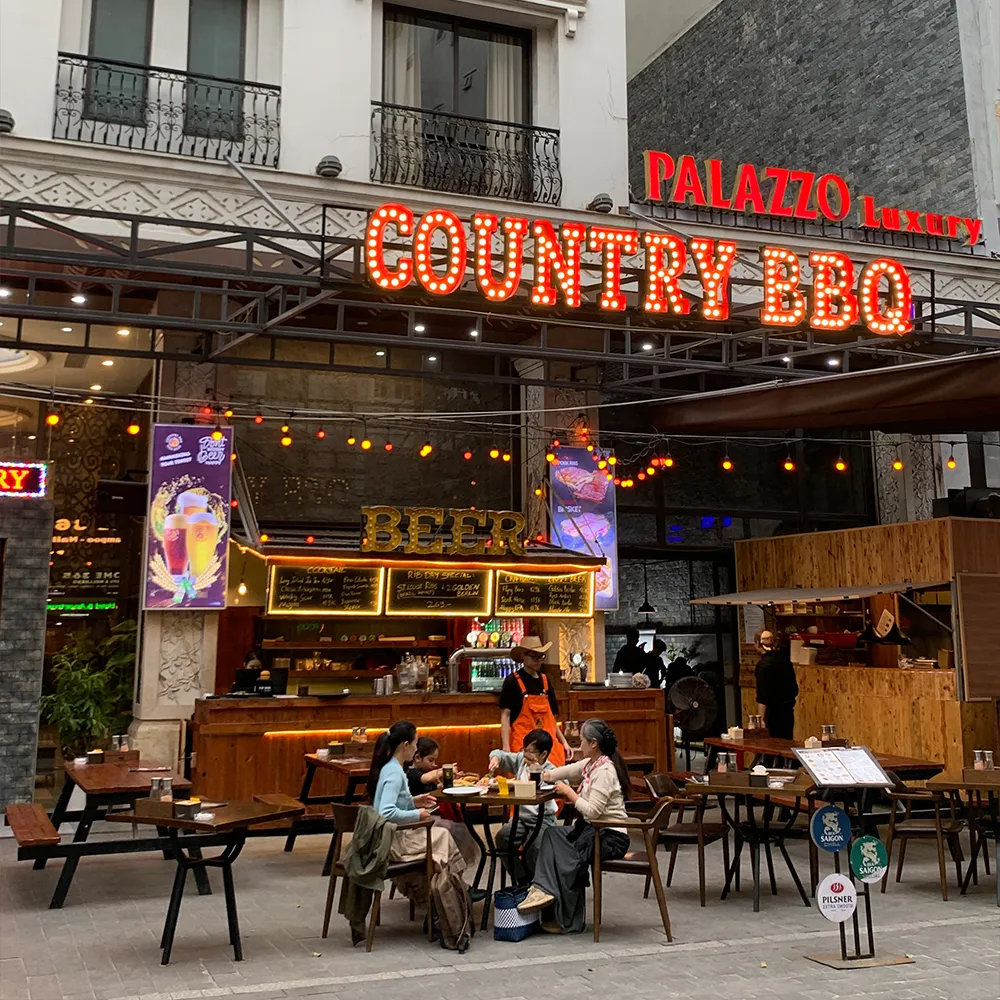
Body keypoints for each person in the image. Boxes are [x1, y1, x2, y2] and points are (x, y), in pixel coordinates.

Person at [517, 719, 631, 934]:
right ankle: (542, 889)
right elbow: (563, 772)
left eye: (582, 742)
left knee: (566, 856)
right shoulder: (590, 764)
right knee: (552, 834)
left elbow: (592, 811)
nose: (580, 746)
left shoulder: (604, 771)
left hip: (609, 836)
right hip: (593, 830)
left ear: (594, 743)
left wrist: (569, 792)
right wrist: (541, 771)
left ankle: (567, 919)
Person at [367, 721, 467, 876]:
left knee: (443, 834)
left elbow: (393, 804)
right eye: (415, 744)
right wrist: (417, 814)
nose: (415, 749)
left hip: (390, 835)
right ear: (406, 745)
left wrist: (414, 801)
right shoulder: (394, 773)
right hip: (393, 841)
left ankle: (445, 885)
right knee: (444, 835)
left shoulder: (392, 768)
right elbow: (386, 812)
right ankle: (448, 885)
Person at [487, 729, 558, 883]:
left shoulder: (550, 769)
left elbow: (563, 783)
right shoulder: (521, 760)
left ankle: (538, 885)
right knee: (503, 839)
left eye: (530, 752)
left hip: (543, 818)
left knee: (534, 849)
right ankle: (522, 879)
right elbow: (499, 753)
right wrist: (495, 759)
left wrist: (542, 773)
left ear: (543, 754)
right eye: (524, 750)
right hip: (521, 817)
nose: (526, 755)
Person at [500, 636, 574, 766]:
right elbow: (505, 716)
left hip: (549, 748)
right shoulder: (512, 681)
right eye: (534, 656)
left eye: (541, 656)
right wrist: (506, 747)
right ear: (523, 656)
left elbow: (551, 719)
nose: (539, 660)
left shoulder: (545, 681)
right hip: (524, 747)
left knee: (555, 775)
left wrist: (564, 742)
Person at [406, 736, 478, 868]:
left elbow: (435, 787)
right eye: (430, 760)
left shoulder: (424, 772)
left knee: (460, 827)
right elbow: (425, 779)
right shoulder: (412, 773)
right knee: (454, 828)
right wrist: (444, 770)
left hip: (429, 812)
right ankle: (454, 865)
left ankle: (456, 866)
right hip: (417, 817)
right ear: (417, 758)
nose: (433, 764)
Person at [754, 630, 798, 740]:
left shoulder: (763, 666)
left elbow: (762, 696)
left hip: (771, 714)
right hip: (788, 712)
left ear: (758, 644)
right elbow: (794, 689)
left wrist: (761, 719)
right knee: (785, 744)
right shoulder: (786, 662)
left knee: (770, 746)